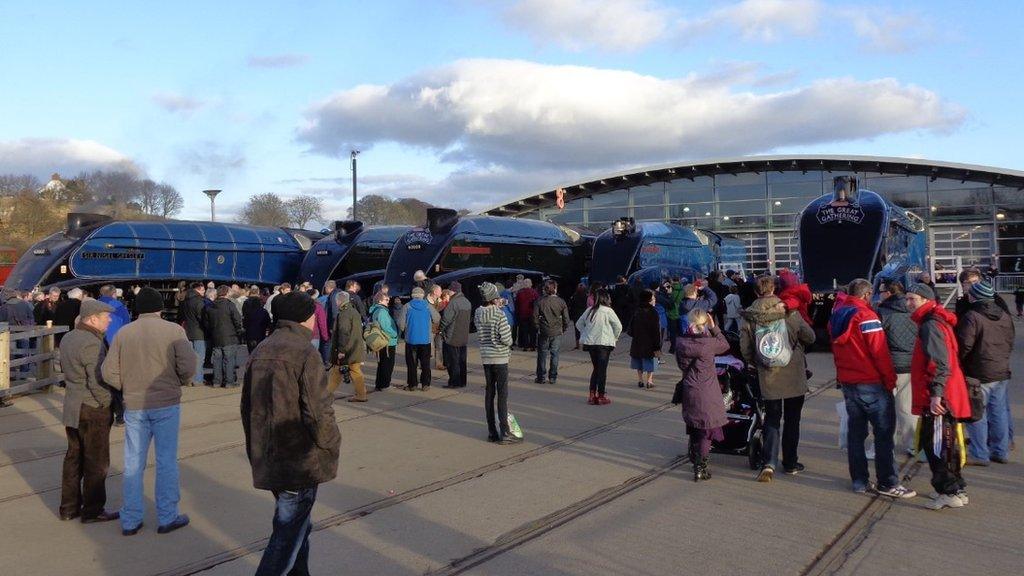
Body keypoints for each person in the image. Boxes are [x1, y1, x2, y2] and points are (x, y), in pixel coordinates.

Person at [241, 291, 340, 575]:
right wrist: (330, 443)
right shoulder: (304, 352)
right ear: (305, 317)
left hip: (267, 453)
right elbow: (318, 410)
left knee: (297, 526)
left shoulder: (263, 348)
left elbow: (247, 407)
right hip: (298, 457)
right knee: (286, 535)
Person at [101, 287, 195, 536]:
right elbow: (188, 365)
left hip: (134, 405)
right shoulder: (174, 331)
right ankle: (167, 515)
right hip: (166, 402)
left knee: (133, 462)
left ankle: (130, 519)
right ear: (159, 308)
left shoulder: (123, 333)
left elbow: (108, 371)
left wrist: (126, 386)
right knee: (166, 461)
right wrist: (179, 382)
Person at [829, 279, 915, 498]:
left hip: (849, 381)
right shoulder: (867, 317)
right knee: (884, 434)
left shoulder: (838, 315)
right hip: (871, 382)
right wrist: (889, 380)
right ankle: (888, 482)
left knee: (856, 435)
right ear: (867, 295)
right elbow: (879, 352)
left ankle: (859, 480)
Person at [740, 276, 815, 482]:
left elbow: (745, 350)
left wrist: (757, 361)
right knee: (793, 420)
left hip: (768, 376)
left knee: (772, 420)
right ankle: (790, 463)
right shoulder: (790, 312)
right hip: (793, 375)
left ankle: (769, 463)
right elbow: (811, 337)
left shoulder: (749, 316)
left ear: (756, 292)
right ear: (774, 289)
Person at [904, 284, 972, 510]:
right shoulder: (936, 321)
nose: (908, 303)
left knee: (936, 445)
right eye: (908, 299)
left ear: (925, 300)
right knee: (947, 444)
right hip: (946, 393)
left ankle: (949, 490)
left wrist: (936, 394)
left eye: (912, 299)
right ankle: (956, 487)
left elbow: (939, 363)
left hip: (939, 396)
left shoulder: (930, 325)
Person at [58, 299, 119, 524]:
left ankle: (68, 507)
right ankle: (93, 510)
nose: (109, 319)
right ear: (92, 319)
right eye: (106, 317)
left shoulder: (69, 337)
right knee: (96, 461)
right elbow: (97, 380)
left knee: (73, 458)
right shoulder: (92, 343)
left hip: (72, 405)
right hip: (92, 408)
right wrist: (107, 402)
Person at [955, 280, 1015, 465]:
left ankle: (980, 454)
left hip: (978, 372)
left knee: (976, 413)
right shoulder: (1004, 315)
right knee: (998, 413)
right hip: (1000, 369)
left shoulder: (972, 316)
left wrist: (960, 363)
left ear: (976, 296)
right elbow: (1011, 340)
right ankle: (1000, 451)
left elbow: (964, 345)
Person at [675, 309, 731, 481]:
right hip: (707, 390)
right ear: (706, 323)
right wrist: (715, 328)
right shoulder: (709, 343)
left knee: (694, 424)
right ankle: (701, 466)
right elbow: (725, 344)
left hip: (690, 388)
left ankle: (694, 455)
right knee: (707, 429)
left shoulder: (681, 342)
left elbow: (681, 365)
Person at [876, 280, 919, 456]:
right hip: (912, 363)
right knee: (908, 407)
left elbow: (877, 342)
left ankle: (887, 445)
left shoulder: (883, 312)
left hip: (891, 364)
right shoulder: (913, 309)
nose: (879, 294)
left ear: (889, 293)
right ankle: (914, 444)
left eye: (881, 291)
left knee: (886, 409)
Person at [475, 282, 518, 444]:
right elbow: (507, 339)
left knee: (489, 393)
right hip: (500, 357)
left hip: (486, 357)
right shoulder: (499, 315)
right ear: (494, 298)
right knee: (502, 396)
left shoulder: (478, 313)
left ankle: (491, 431)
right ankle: (505, 432)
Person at [576, 289, 622, 405]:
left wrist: (586, 332)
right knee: (602, 370)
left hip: (591, 343)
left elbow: (578, 324)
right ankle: (601, 395)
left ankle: (592, 394)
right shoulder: (608, 311)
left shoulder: (589, 310)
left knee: (596, 368)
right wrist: (614, 337)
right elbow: (618, 326)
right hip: (604, 343)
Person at [202, 285, 245, 388]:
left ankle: (217, 381)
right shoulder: (230, 305)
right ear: (226, 293)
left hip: (216, 336)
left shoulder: (209, 306)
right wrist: (239, 331)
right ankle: (229, 382)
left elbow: (206, 322)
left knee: (217, 360)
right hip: (230, 336)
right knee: (229, 360)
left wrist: (212, 331)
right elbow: (237, 320)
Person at [398, 287, 438, 391]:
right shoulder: (428, 306)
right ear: (422, 295)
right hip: (425, 339)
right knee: (425, 363)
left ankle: (413, 384)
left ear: (412, 295)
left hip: (411, 339)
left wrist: (406, 328)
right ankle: (425, 384)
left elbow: (401, 324)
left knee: (412, 364)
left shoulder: (407, 306)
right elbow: (437, 318)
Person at [533, 280, 571, 385]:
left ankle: (541, 377)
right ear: (555, 289)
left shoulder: (539, 301)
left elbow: (534, 317)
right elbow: (566, 318)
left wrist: (537, 327)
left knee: (542, 354)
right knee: (555, 354)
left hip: (544, 331)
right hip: (557, 331)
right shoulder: (561, 301)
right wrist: (564, 328)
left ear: (545, 289)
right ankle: (553, 376)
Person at [439, 282, 471, 389]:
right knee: (462, 361)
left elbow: (446, 320)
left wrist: (440, 330)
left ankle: (454, 382)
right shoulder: (467, 302)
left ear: (453, 291)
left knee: (452, 361)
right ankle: (462, 381)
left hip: (452, 336)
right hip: (463, 337)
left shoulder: (453, 303)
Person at [629, 289, 661, 390]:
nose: (654, 299)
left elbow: (630, 328)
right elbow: (656, 330)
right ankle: (649, 380)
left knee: (638, 360)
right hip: (650, 342)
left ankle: (640, 380)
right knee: (651, 361)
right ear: (649, 300)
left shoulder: (637, 311)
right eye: (653, 298)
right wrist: (657, 345)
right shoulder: (653, 312)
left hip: (637, 340)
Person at [369, 291, 398, 391]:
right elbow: (386, 327)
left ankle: (380, 384)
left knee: (382, 363)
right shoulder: (382, 311)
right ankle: (385, 384)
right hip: (387, 341)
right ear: (380, 300)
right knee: (387, 364)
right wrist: (395, 334)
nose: (388, 302)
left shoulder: (375, 310)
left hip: (381, 340)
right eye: (386, 300)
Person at [179, 282, 208, 386]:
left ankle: (189, 379)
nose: (204, 291)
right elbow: (202, 317)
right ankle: (198, 379)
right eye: (204, 289)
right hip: (199, 332)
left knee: (190, 357)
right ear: (199, 288)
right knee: (199, 358)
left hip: (188, 331)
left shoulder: (186, 300)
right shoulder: (199, 301)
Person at [242, 287, 271, 352]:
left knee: (251, 351)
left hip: (250, 334)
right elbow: (268, 323)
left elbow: (245, 323)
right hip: (261, 334)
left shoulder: (248, 312)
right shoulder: (264, 311)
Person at [515, 279, 539, 350]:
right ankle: (532, 346)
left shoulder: (519, 293)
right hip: (532, 314)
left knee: (524, 331)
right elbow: (537, 303)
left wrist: (518, 314)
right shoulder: (535, 292)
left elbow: (517, 304)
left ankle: (525, 346)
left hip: (523, 314)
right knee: (533, 331)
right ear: (531, 284)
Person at [309, 289, 329, 363]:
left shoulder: (301, 305)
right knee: (313, 359)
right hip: (314, 336)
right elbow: (322, 323)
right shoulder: (318, 307)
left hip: (302, 334)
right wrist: (325, 336)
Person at [568, 283, 589, 350]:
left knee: (577, 330)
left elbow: (570, 304)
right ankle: (585, 344)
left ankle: (578, 345)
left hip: (576, 314)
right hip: (585, 314)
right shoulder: (586, 296)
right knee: (585, 329)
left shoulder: (574, 296)